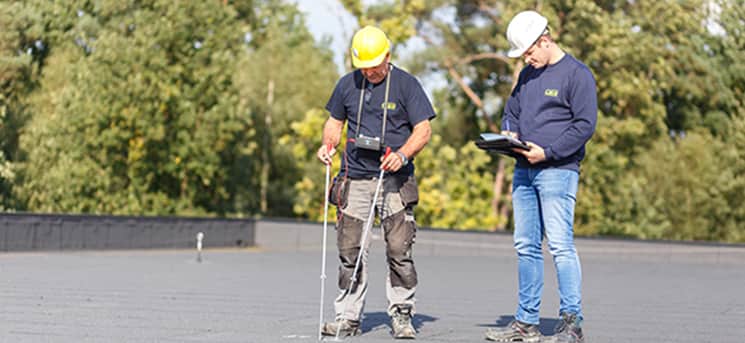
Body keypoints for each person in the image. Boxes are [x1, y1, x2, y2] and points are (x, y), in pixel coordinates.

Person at [484, 10, 597, 343]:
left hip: (557, 171)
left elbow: (584, 126)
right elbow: (512, 112)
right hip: (524, 170)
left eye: (530, 52)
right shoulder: (527, 76)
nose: (527, 59)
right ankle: (526, 323)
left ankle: (571, 324)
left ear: (544, 41)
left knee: (561, 246)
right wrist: (510, 135)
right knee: (526, 247)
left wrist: (547, 152)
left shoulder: (578, 75)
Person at [316, 25, 435, 339]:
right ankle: (347, 317)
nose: (369, 72)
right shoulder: (346, 85)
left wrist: (403, 155)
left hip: (394, 180)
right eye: (363, 67)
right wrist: (328, 147)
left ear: (388, 55)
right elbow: (334, 124)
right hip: (354, 179)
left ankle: (402, 314)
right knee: (350, 249)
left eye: (374, 66)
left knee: (399, 247)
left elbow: (423, 130)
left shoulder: (408, 85)